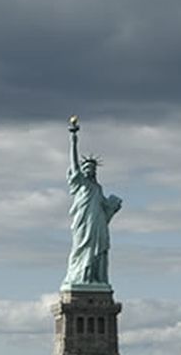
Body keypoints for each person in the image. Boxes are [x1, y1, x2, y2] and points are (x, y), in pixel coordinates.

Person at [63, 116, 122, 287]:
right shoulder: (81, 183)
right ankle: (80, 278)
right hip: (83, 222)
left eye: (92, 168)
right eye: (87, 167)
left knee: (97, 251)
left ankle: (95, 279)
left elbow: (105, 210)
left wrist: (113, 207)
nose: (90, 170)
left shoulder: (98, 188)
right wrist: (73, 139)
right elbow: (74, 164)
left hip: (97, 225)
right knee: (81, 249)